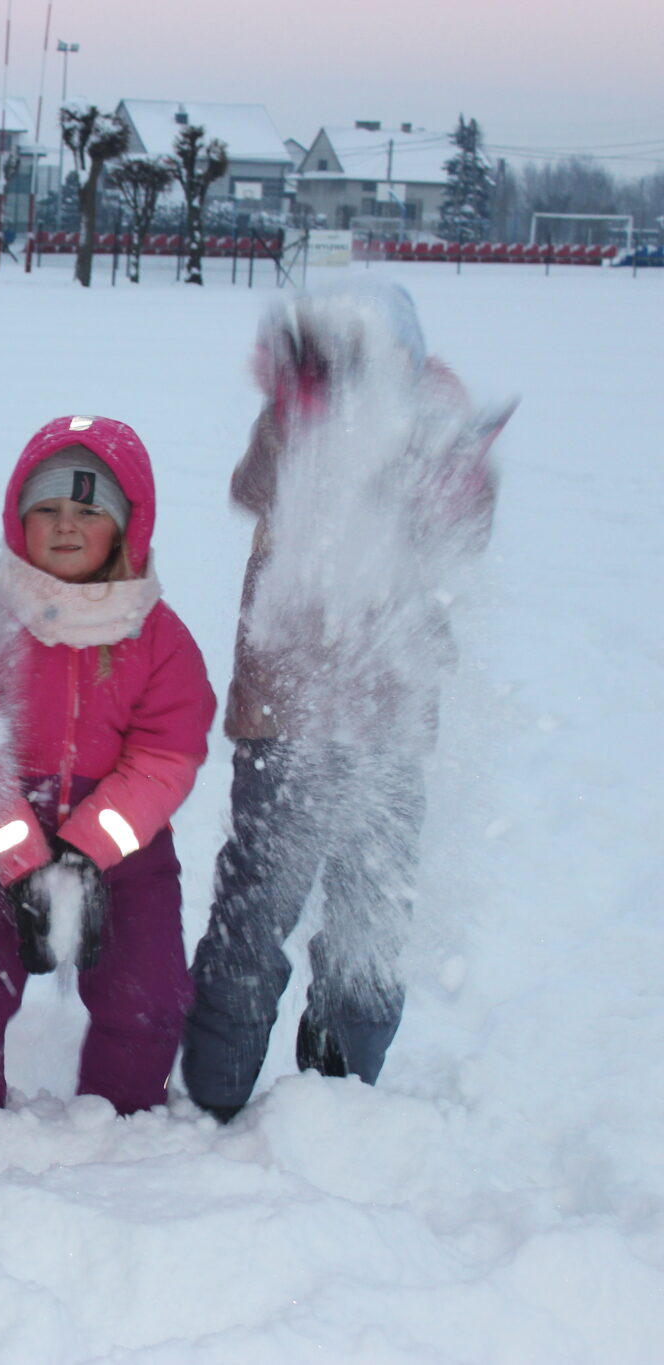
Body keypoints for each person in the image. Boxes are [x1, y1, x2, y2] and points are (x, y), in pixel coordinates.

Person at [182, 284, 501, 1120]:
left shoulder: (428, 435)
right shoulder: (296, 432)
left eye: (378, 361)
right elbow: (251, 486)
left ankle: (344, 1084)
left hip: (388, 735)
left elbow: (466, 523)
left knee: (371, 917)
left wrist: (456, 457)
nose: (358, 381)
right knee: (255, 911)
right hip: (281, 727)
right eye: (339, 359)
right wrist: (295, 408)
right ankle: (216, 1092)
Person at [0, 416, 215, 1117]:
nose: (65, 525)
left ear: (127, 525)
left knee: (151, 998)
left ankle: (123, 1124)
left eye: (88, 509)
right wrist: (24, 863)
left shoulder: (159, 636)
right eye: (45, 508)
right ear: (18, 520)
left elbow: (167, 754)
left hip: (121, 840)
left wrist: (84, 849)